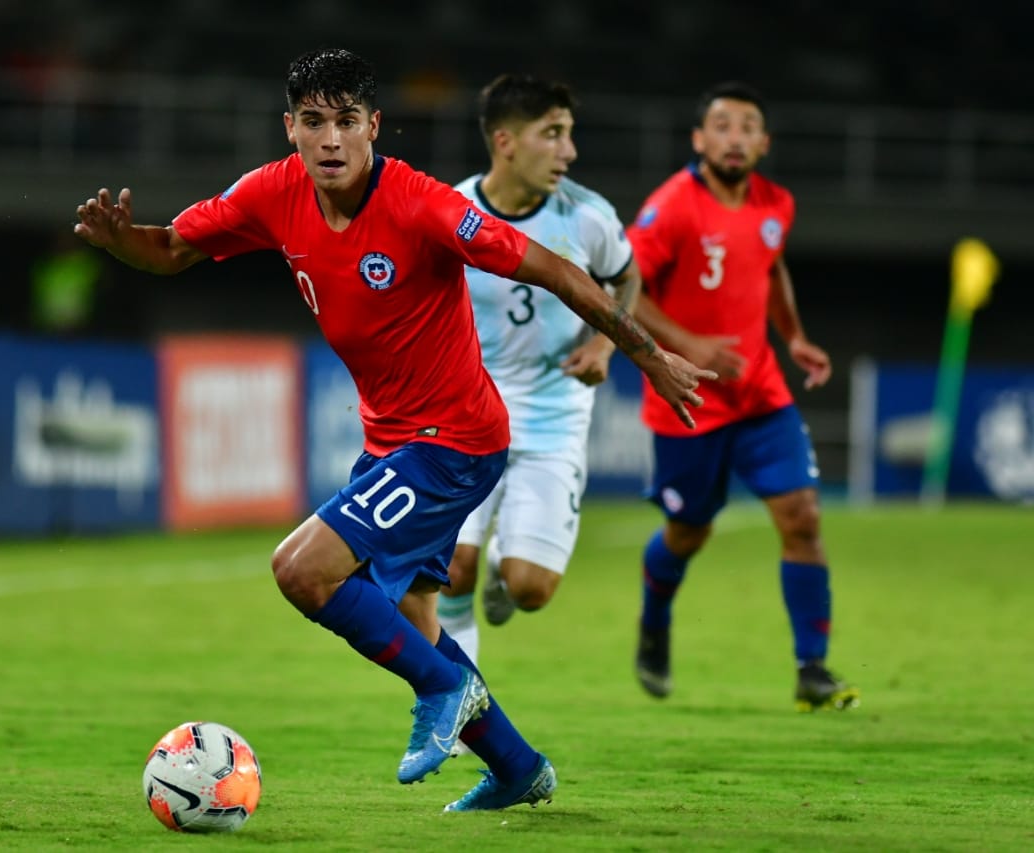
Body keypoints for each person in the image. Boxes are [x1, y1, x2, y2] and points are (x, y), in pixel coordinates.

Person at [74, 48, 713, 811]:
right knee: (415, 618)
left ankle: (444, 689)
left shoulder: (424, 204)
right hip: (394, 444)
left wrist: (648, 354)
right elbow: (173, 248)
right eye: (314, 123)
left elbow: (555, 270)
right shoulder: (272, 194)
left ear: (374, 126)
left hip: (458, 441)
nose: (331, 140)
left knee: (302, 570)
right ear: (291, 130)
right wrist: (124, 244)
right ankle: (517, 766)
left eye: (347, 122)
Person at [625, 81, 859, 711]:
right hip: (690, 400)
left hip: (761, 393)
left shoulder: (776, 203)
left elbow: (771, 264)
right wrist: (689, 344)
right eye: (721, 125)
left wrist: (797, 337)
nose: (734, 137)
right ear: (699, 139)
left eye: (746, 126)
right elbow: (623, 283)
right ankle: (655, 620)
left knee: (803, 519)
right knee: (688, 532)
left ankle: (812, 669)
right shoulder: (672, 206)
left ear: (763, 142)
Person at [437, 73, 641, 671]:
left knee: (530, 589)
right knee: (449, 570)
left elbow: (628, 278)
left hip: (553, 416)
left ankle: (508, 559)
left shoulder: (587, 217)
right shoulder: (448, 211)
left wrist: (604, 344)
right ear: (505, 141)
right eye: (552, 135)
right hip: (466, 415)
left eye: (569, 135)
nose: (568, 152)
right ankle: (462, 707)